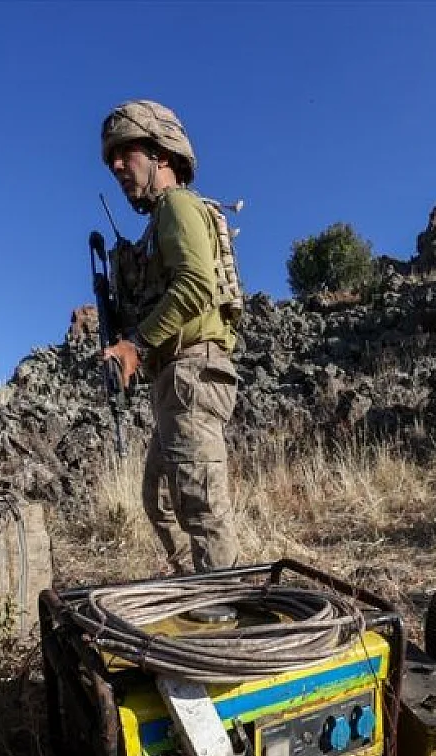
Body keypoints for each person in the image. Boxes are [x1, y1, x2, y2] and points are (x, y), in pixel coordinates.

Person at [99, 100, 241, 573]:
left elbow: (195, 285)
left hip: (192, 372)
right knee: (159, 499)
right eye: (111, 159)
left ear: (161, 153)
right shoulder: (158, 222)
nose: (117, 166)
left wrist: (136, 345)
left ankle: (224, 607)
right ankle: (195, 585)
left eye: (126, 152)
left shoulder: (178, 205)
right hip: (173, 380)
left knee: (201, 505)